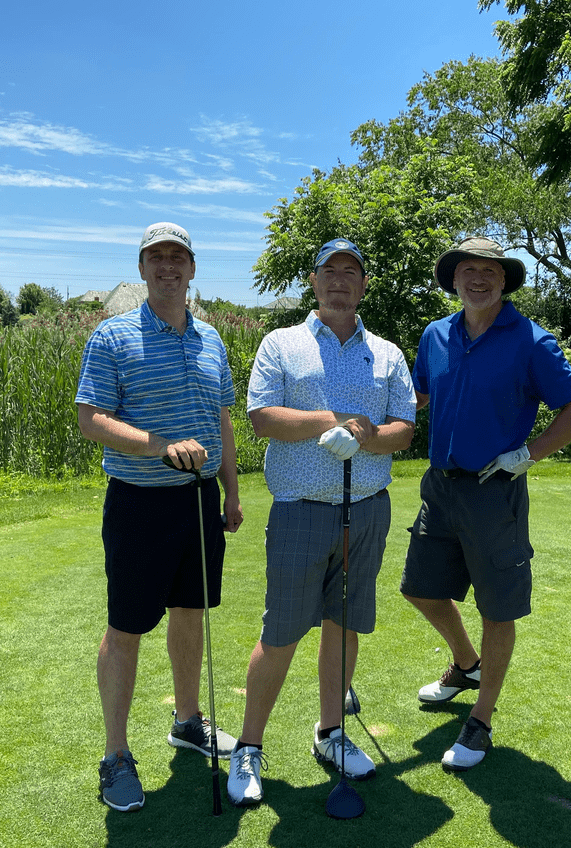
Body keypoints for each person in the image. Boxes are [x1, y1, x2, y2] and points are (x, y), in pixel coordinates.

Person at [226, 238, 416, 807]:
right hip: (300, 510)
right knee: (281, 633)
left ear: (363, 285)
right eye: (329, 270)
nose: (339, 279)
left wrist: (368, 435)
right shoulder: (281, 343)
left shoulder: (386, 353)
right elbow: (262, 418)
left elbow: (404, 429)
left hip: (368, 509)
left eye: (350, 271)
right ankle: (248, 746)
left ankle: (331, 732)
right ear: (313, 281)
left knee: (345, 624)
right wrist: (331, 421)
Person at [400, 236, 571, 771]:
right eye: (469, 270)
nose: (479, 279)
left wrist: (528, 455)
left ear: (505, 280)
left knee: (497, 607)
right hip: (440, 486)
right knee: (419, 588)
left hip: (494, 489)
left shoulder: (531, 341)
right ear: (454, 280)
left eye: (490, 271)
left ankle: (481, 720)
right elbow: (418, 397)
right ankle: (467, 664)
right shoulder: (435, 335)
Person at [75, 221, 244, 812]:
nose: (168, 267)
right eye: (157, 258)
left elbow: (222, 421)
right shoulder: (113, 336)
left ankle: (187, 720)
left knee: (191, 613)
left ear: (192, 269)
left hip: (198, 501)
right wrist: (159, 445)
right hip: (139, 502)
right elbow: (91, 419)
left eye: (178, 257)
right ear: (143, 268)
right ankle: (115, 755)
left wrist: (231, 491)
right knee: (126, 627)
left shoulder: (212, 339)